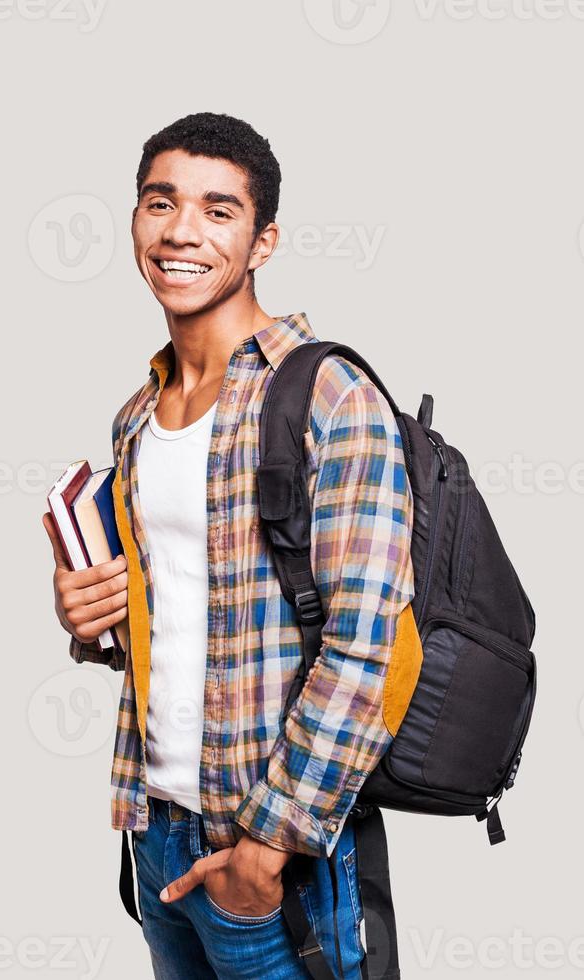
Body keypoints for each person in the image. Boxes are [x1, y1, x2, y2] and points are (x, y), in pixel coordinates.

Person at [42, 111, 415, 979]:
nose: (181, 232)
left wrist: (265, 848)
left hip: (274, 854)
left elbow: (368, 641)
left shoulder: (328, 393)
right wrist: (84, 617)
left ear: (263, 240)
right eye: (159, 202)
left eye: (218, 210)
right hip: (156, 833)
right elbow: (176, 625)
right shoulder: (137, 416)